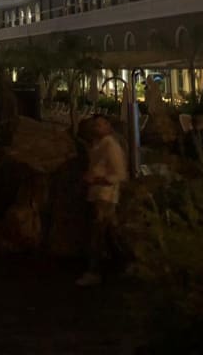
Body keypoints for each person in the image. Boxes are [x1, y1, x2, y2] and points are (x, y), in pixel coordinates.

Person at [77, 114, 128, 287]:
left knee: (98, 235)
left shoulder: (110, 146)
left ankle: (95, 272)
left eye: (99, 125)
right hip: (99, 194)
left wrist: (96, 180)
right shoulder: (99, 144)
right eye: (94, 125)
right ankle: (123, 265)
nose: (95, 128)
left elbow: (119, 174)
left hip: (105, 195)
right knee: (109, 233)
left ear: (108, 126)